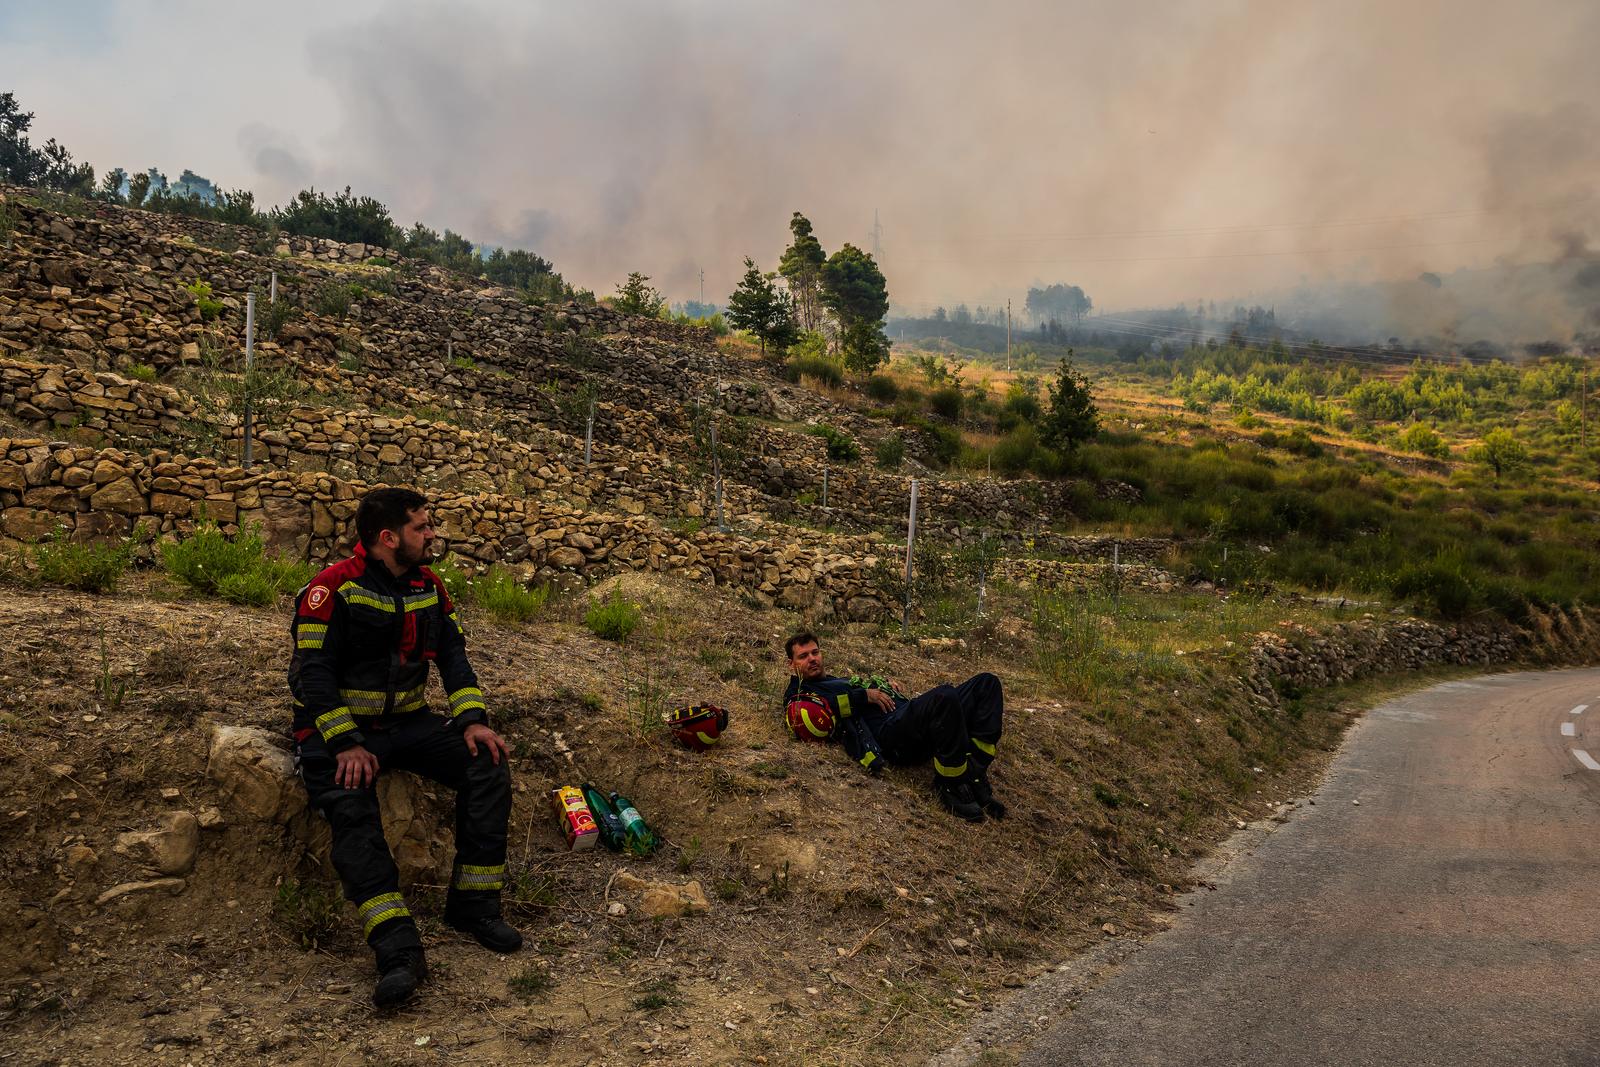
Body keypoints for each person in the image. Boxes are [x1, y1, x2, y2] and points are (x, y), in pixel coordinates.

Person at [288, 487, 521, 1010]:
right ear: (388, 538)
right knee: (352, 809)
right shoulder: (331, 589)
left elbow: (454, 657)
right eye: (422, 527)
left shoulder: (429, 585)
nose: (432, 534)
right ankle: (397, 950)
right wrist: (345, 742)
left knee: (487, 766)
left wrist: (473, 719)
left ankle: (474, 906)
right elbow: (312, 674)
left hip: (408, 724)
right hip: (338, 732)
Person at [783, 632, 1005, 822]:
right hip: (890, 735)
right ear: (791, 665)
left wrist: (885, 687)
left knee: (986, 683)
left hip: (905, 717)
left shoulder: (835, 679)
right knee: (944, 695)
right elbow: (815, 712)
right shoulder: (799, 694)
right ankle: (951, 784)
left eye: (815, 652)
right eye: (803, 656)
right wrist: (864, 696)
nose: (812, 659)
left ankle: (974, 774)